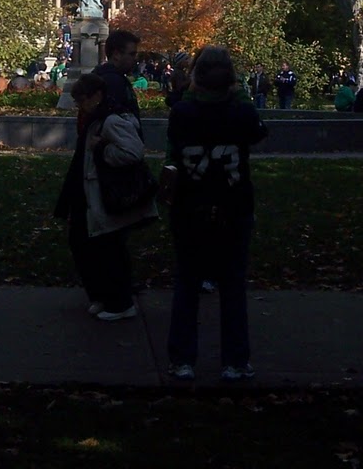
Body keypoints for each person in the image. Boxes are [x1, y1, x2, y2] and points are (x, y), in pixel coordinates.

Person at [164, 45, 269, 382]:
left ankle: (182, 359)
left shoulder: (182, 112)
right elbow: (258, 133)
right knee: (233, 284)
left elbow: (173, 148)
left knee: (187, 283)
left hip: (190, 204)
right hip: (233, 202)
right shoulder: (241, 112)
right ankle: (235, 360)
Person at [53, 72, 157, 322]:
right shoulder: (100, 118)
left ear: (97, 96)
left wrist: (101, 149)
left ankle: (119, 301)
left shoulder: (111, 120)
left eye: (83, 100)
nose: (80, 105)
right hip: (95, 192)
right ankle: (105, 296)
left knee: (109, 249)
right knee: (94, 246)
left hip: (106, 193)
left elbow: (133, 152)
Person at [99, 29, 142, 115]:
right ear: (116, 55)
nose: (135, 59)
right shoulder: (113, 82)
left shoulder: (113, 78)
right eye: (132, 54)